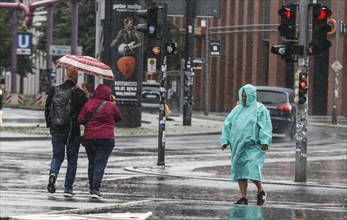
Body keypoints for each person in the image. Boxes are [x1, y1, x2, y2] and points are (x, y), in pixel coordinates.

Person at [220, 84, 272, 206]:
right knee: (240, 170)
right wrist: (225, 140)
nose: (244, 98)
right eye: (242, 96)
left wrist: (265, 140)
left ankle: (261, 191)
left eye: (246, 96)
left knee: (252, 168)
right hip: (238, 145)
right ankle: (243, 197)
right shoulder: (237, 110)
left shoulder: (260, 108)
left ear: (252, 95)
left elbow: (265, 125)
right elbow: (227, 124)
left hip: (254, 146)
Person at [45, 68, 89, 197]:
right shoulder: (78, 93)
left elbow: (48, 109)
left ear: (66, 76)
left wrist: (50, 126)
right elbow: (87, 110)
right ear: (75, 78)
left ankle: (53, 174)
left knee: (57, 156)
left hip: (56, 129)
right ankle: (68, 188)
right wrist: (86, 96)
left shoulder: (55, 90)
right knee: (72, 159)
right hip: (72, 130)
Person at [77, 84, 122, 199]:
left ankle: (92, 187)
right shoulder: (111, 106)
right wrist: (114, 105)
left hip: (90, 138)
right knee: (100, 163)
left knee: (92, 162)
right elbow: (119, 118)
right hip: (106, 138)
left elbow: (80, 119)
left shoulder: (89, 103)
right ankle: (95, 189)